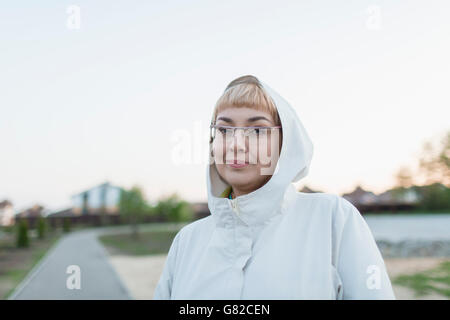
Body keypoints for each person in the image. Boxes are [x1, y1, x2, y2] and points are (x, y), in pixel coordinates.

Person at [153, 75, 395, 299]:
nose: (236, 144)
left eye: (257, 130)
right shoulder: (187, 241)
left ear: (284, 145)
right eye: (225, 130)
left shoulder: (333, 220)